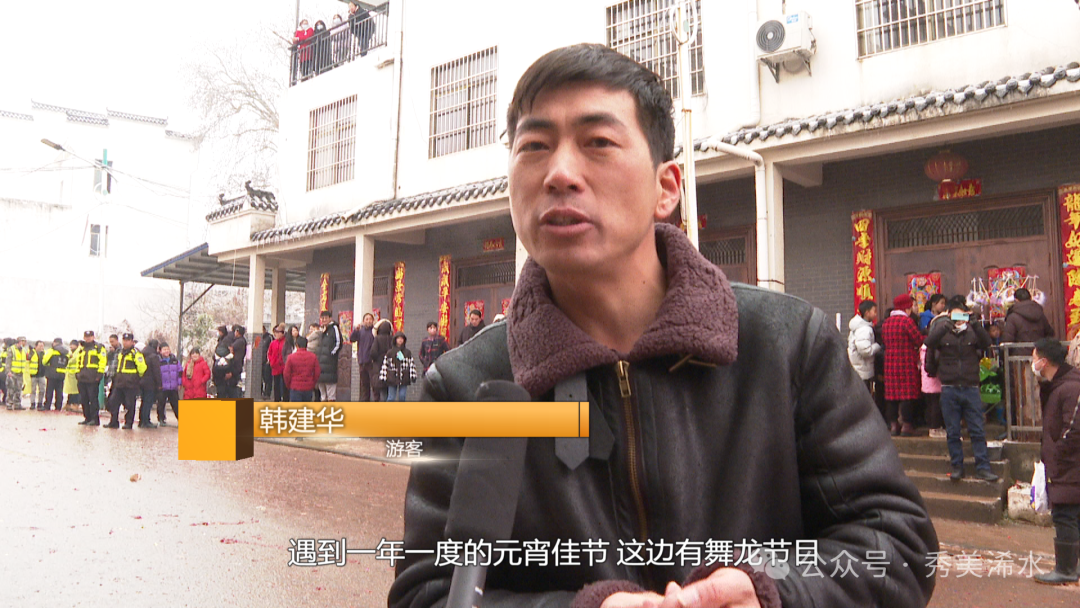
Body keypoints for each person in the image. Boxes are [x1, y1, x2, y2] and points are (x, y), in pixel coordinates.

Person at [389, 43, 937, 608]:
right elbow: (427, 593)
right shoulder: (466, 386)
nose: (559, 173)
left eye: (598, 142)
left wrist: (773, 593)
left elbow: (896, 545)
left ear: (667, 188)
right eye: (534, 146)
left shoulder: (785, 345)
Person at [925, 297, 997, 482]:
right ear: (948, 315)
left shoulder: (972, 332)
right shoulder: (943, 331)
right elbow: (929, 342)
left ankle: (983, 467)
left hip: (970, 387)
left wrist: (975, 323)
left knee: (977, 430)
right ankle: (957, 466)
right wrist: (946, 325)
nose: (958, 319)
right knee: (953, 432)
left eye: (961, 314)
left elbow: (986, 342)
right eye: (954, 315)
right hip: (949, 388)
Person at [1030, 338, 1080, 585]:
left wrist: (1058, 454)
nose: (1032, 363)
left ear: (1045, 361)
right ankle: (1070, 566)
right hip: (1064, 464)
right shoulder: (1057, 386)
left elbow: (1074, 429)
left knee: (1065, 514)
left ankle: (1066, 569)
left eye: (1034, 358)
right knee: (1070, 514)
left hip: (1069, 465)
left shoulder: (1070, 387)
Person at [883, 293, 923, 436]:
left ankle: (894, 426)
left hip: (890, 362)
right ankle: (906, 425)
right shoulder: (907, 322)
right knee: (906, 394)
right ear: (907, 307)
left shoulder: (887, 322)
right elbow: (918, 340)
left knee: (892, 396)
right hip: (906, 361)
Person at [106, 333, 146, 430]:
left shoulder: (135, 353)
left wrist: (135, 378)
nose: (125, 342)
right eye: (124, 340)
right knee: (113, 402)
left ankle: (128, 423)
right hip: (119, 382)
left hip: (130, 383)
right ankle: (113, 422)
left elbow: (142, 368)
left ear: (132, 342)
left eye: (127, 340)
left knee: (130, 404)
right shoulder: (121, 352)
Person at [74, 331, 107, 425]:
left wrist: (100, 373)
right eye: (86, 337)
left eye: (90, 336)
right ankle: (87, 418)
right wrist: (77, 373)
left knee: (93, 399)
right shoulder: (81, 348)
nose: (88, 338)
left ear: (93, 337)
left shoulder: (98, 348)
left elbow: (103, 361)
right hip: (82, 378)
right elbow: (78, 361)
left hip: (93, 378)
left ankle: (94, 419)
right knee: (83, 399)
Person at [847, 300, 880, 396]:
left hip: (858, 369)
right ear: (867, 312)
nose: (876, 314)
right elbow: (865, 351)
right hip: (862, 370)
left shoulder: (858, 327)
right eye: (874, 311)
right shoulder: (864, 329)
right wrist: (878, 345)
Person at [380, 332, 417, 401]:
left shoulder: (407, 352)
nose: (400, 340)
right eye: (398, 338)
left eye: (401, 338)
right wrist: (383, 377)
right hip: (392, 377)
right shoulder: (390, 353)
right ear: (395, 340)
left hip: (404, 377)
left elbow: (411, 364)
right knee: (391, 397)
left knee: (402, 396)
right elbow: (385, 365)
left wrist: (413, 375)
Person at [283, 335, 320, 402]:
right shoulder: (313, 357)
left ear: (297, 345)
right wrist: (312, 383)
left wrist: (289, 385)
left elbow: (286, 374)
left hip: (295, 387)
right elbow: (317, 372)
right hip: (308, 387)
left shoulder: (291, 357)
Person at [316, 310, 343, 402]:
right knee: (323, 394)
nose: (324, 320)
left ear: (330, 318)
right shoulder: (322, 330)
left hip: (330, 365)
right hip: (321, 365)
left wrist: (331, 354)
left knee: (330, 393)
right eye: (322, 318)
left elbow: (339, 343)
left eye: (325, 318)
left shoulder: (334, 328)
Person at [349, 313, 376, 401]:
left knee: (374, 385)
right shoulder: (360, 331)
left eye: (370, 319)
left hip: (372, 362)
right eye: (366, 319)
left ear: (373, 321)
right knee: (364, 386)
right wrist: (355, 330)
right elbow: (352, 339)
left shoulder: (375, 332)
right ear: (363, 321)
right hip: (362, 362)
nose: (368, 321)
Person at [137, 339, 161, 428]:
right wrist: (159, 384)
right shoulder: (154, 356)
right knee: (148, 402)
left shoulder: (142, 354)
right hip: (151, 383)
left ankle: (141, 420)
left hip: (142, 381)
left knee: (143, 401)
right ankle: (146, 421)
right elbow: (156, 371)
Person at [42, 338, 69, 412]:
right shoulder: (66, 352)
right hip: (62, 374)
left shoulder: (51, 351)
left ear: (54, 343)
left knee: (49, 391)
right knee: (59, 391)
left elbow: (44, 361)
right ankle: (58, 406)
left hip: (52, 373)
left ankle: (47, 406)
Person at [157, 342, 181, 425]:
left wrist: (179, 383)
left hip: (173, 386)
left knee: (176, 404)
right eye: (164, 349)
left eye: (167, 349)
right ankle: (161, 419)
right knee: (161, 404)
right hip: (163, 386)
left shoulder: (175, 360)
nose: (166, 351)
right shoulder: (158, 361)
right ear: (160, 351)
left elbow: (180, 372)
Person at [369, 318, 393, 402]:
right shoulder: (392, 339)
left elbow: (373, 352)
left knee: (382, 388)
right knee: (390, 389)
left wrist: (375, 359)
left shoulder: (377, 339)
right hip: (391, 367)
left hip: (379, 366)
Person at [5, 336, 28, 410]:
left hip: (20, 373)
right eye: (23, 341)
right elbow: (8, 361)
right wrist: (8, 371)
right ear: (19, 342)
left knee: (18, 389)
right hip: (13, 372)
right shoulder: (12, 349)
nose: (24, 343)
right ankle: (9, 404)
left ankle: (17, 404)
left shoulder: (24, 350)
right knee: (11, 389)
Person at [212, 325, 234, 398]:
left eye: (219, 331)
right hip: (219, 368)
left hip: (223, 368)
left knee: (222, 390)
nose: (218, 333)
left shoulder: (226, 341)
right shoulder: (220, 340)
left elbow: (230, 355)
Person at [268, 324, 287, 402]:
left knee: (285, 384)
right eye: (275, 332)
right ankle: (277, 400)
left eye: (278, 332)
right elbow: (269, 353)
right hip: (275, 366)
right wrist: (271, 361)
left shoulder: (286, 342)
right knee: (276, 384)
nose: (276, 334)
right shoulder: (273, 343)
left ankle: (285, 400)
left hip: (284, 366)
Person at [228, 326, 248, 398]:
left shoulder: (240, 341)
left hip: (236, 365)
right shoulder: (240, 340)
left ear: (238, 332)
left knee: (234, 385)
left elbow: (231, 348)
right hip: (237, 364)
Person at [27, 341, 47, 410]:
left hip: (42, 375)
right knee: (33, 390)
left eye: (42, 346)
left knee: (42, 390)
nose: (42, 347)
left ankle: (40, 403)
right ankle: (32, 403)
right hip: (33, 374)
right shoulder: (32, 353)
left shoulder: (44, 353)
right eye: (40, 346)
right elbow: (27, 360)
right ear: (36, 346)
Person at [63, 339, 81, 411]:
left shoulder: (79, 352)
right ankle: (69, 404)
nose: (71, 346)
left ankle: (75, 404)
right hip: (70, 374)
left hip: (76, 374)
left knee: (76, 391)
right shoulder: (70, 353)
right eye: (70, 345)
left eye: (72, 345)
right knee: (70, 391)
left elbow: (73, 360)